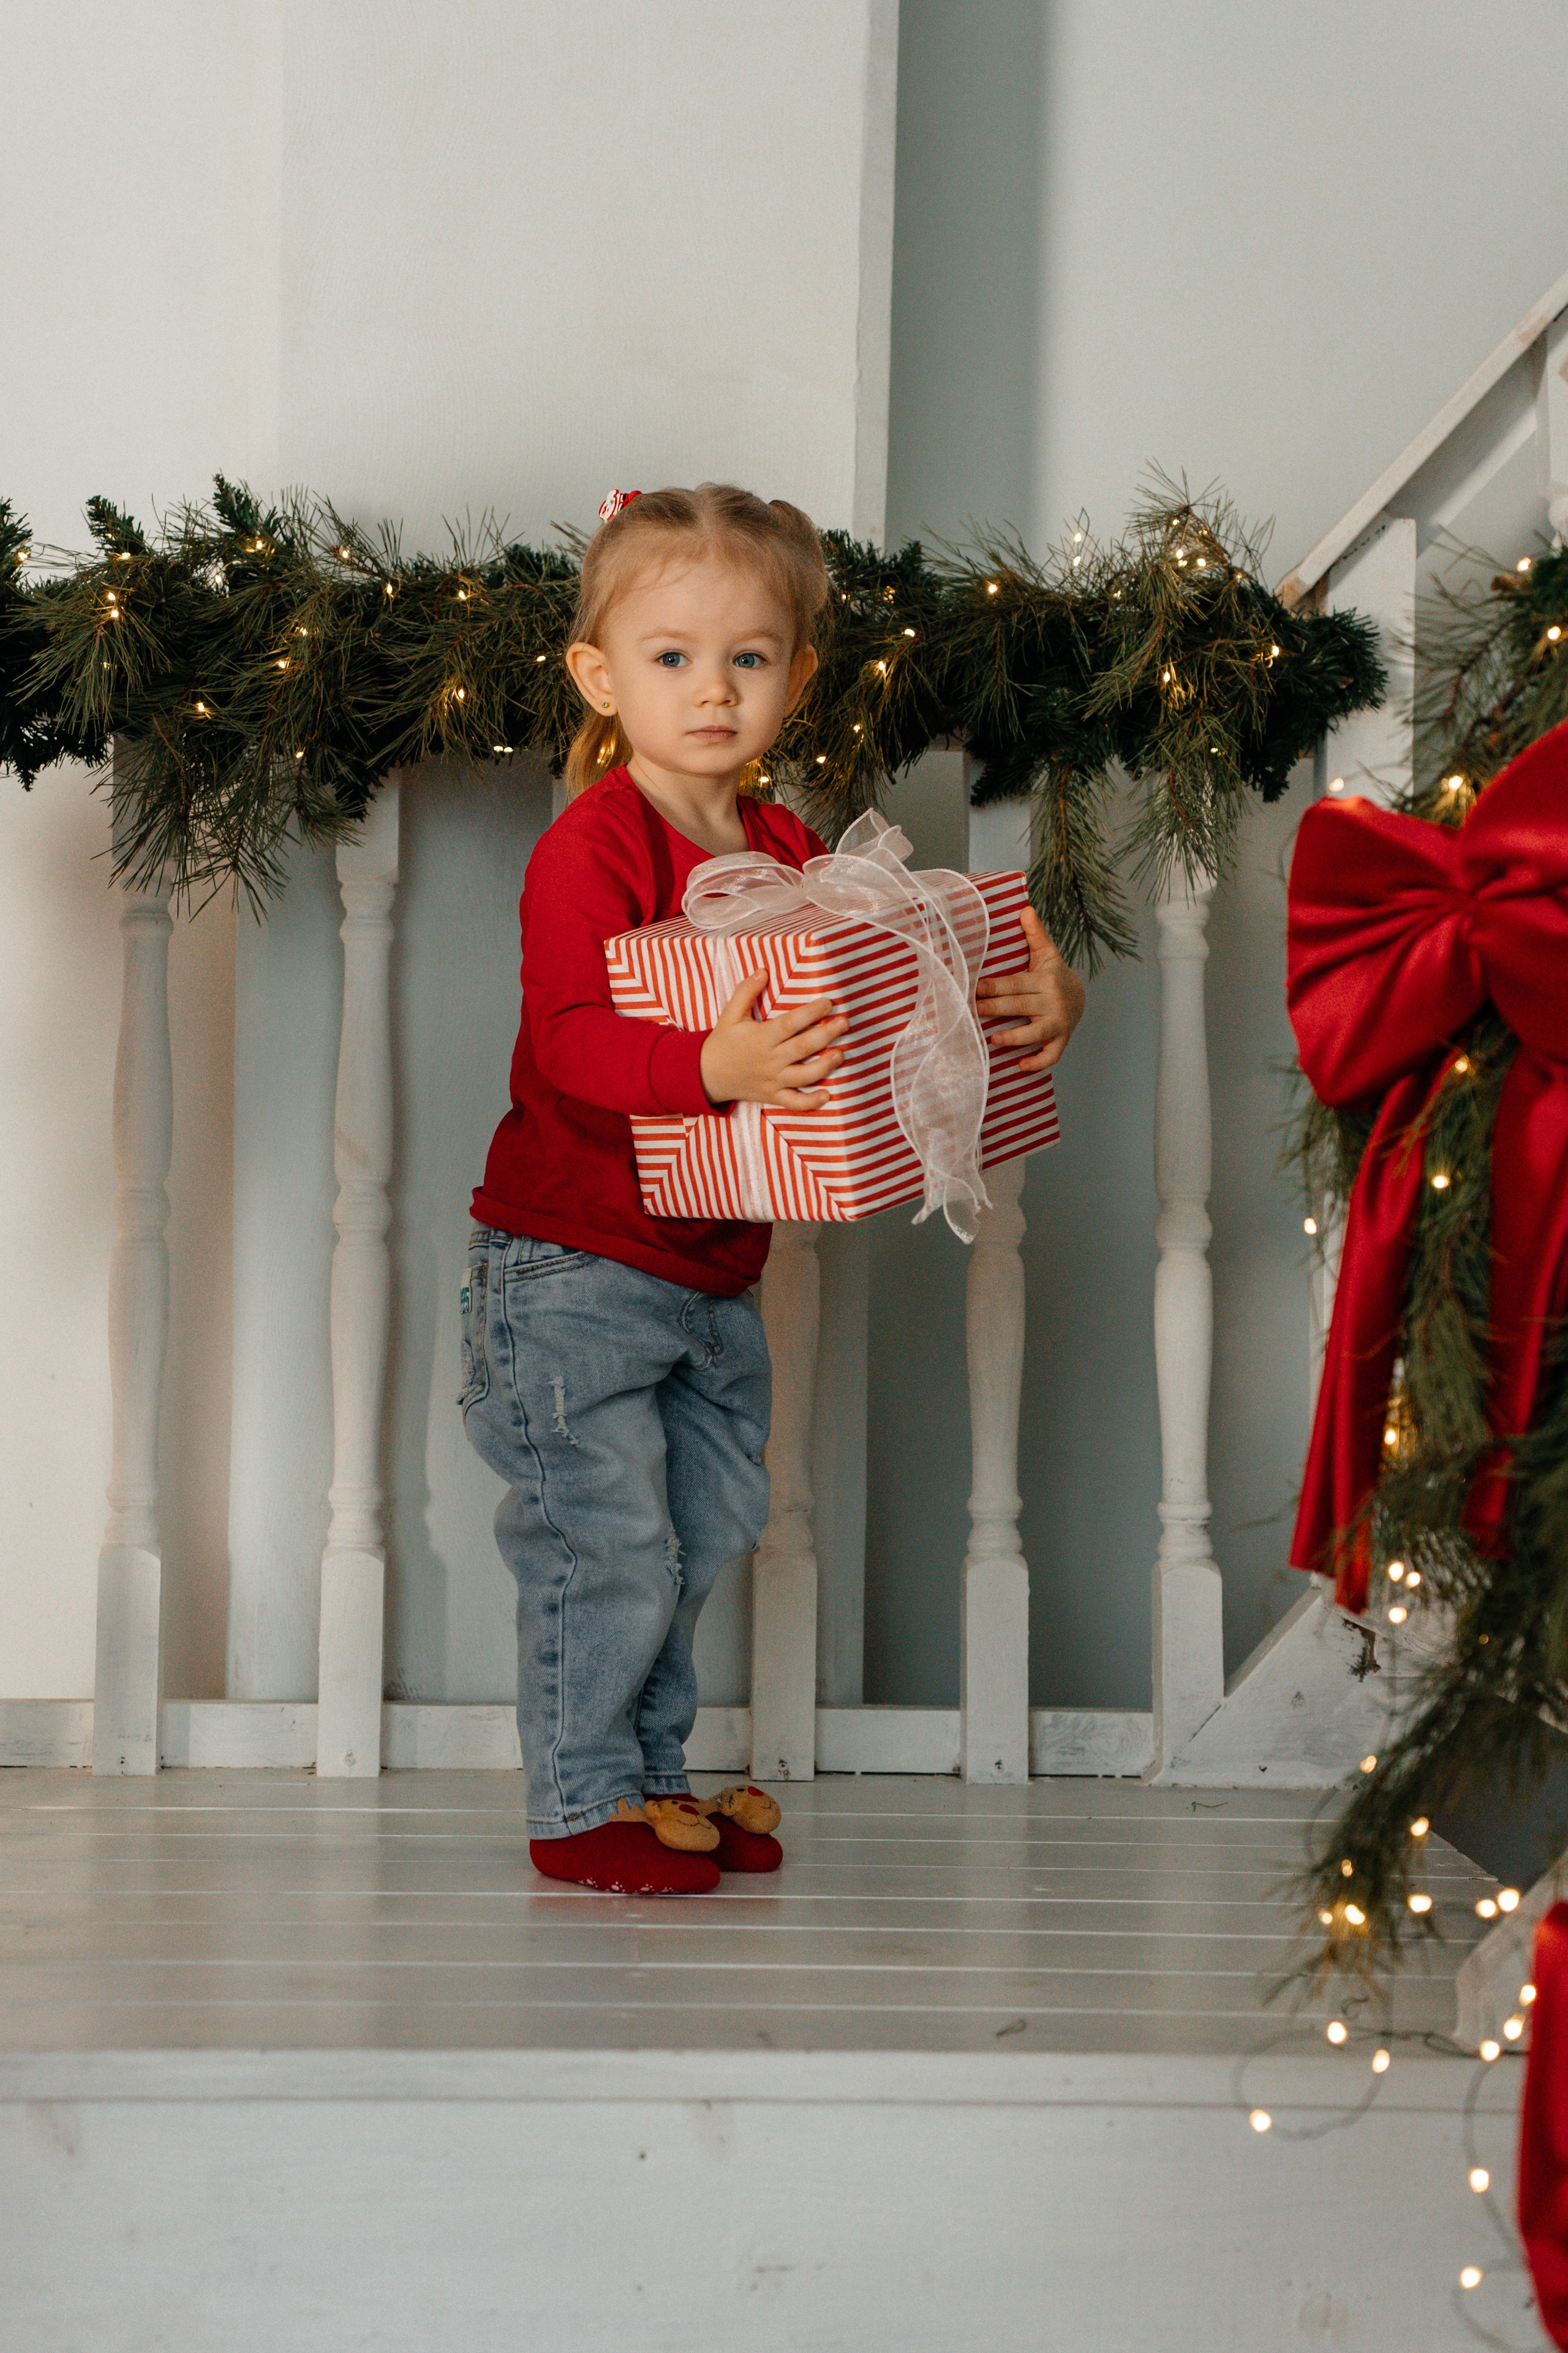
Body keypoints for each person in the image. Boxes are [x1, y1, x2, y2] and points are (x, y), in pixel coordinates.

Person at [461, 483, 1084, 1895]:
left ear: (796, 678)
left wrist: (1038, 998)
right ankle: (579, 1804)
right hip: (570, 1267)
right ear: (599, 677)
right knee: (605, 1540)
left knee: (698, 1538)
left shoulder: (791, 854)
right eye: (671, 656)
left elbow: (900, 990)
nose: (711, 688)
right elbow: (565, 1042)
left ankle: (651, 1783)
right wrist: (711, 1061)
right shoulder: (594, 846)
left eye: (746, 657)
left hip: (709, 1271)